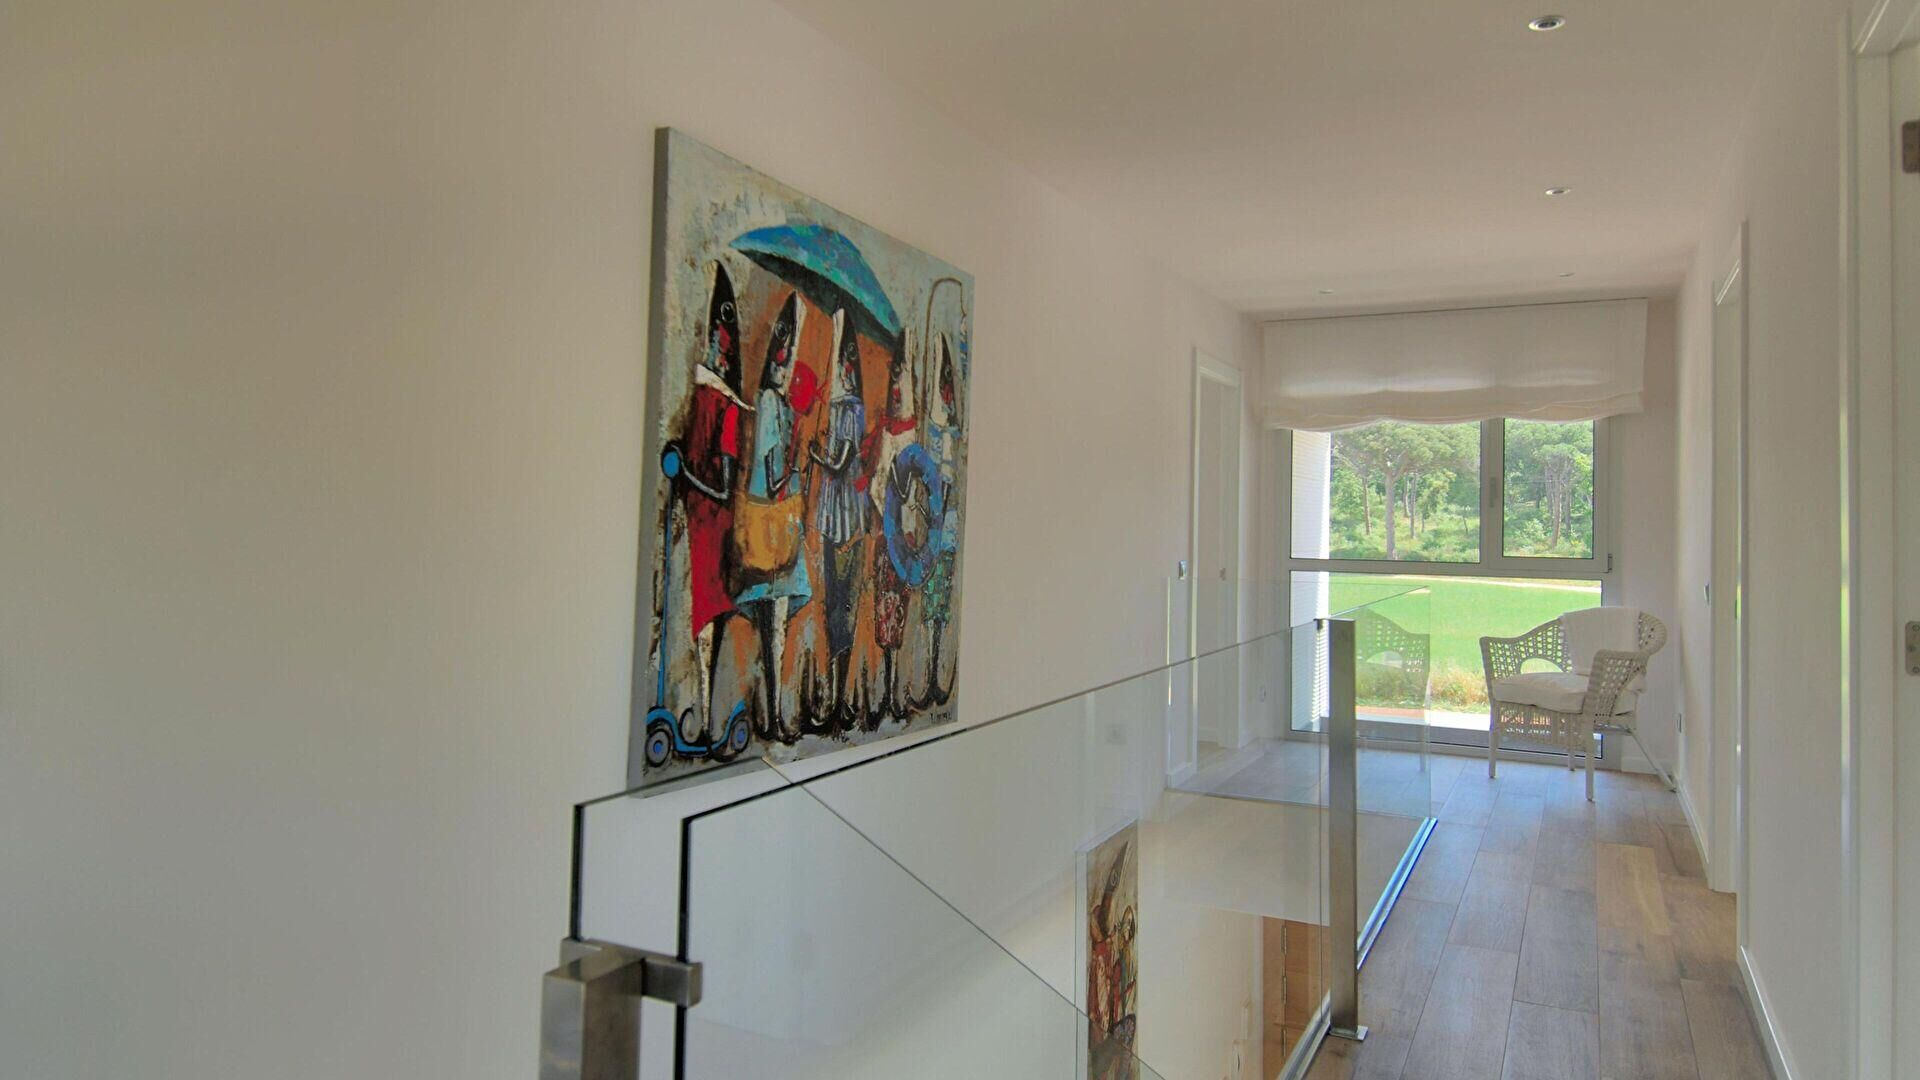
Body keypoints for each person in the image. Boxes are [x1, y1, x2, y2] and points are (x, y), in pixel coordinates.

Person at [733, 292, 812, 737]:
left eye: (789, 361)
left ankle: (775, 709)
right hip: (772, 523)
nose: (785, 370)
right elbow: (772, 472)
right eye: (781, 362)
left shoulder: (781, 405)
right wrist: (795, 468)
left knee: (778, 622)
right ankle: (771, 709)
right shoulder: (768, 402)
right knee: (772, 621)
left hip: (782, 522)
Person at [677, 263, 747, 739]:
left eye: (722, 340)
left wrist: (685, 475)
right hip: (697, 521)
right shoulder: (704, 399)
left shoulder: (726, 410)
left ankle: (705, 716)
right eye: (713, 337)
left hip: (712, 528)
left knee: (707, 609)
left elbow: (722, 489)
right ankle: (702, 715)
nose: (716, 345)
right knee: (698, 611)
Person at [809, 309, 868, 723]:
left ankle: (839, 692)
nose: (844, 366)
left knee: (843, 606)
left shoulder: (852, 409)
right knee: (833, 607)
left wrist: (817, 455)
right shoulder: (835, 408)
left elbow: (841, 462)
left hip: (846, 521)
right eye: (841, 357)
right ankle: (832, 693)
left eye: (848, 358)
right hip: (833, 520)